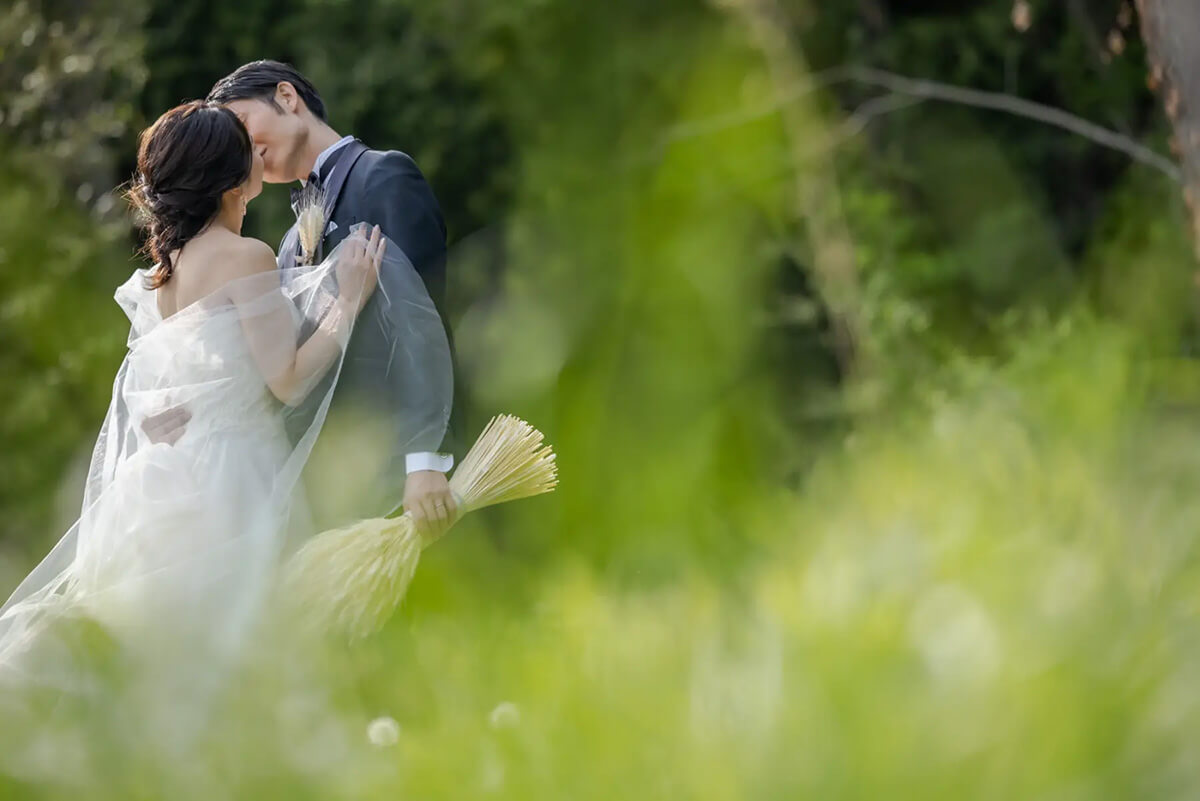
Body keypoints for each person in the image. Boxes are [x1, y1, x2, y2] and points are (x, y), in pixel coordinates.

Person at [0, 102, 445, 743]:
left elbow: (163, 407)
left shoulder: (162, 275)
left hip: (162, 483)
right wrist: (345, 301)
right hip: (232, 483)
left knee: (170, 661)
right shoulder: (246, 256)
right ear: (233, 175)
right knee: (239, 651)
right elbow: (287, 381)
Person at [207, 60, 460, 540]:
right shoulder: (285, 245)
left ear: (286, 96)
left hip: (411, 479)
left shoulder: (383, 177)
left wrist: (425, 459)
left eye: (242, 126)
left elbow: (424, 324)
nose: (244, 150)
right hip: (342, 486)